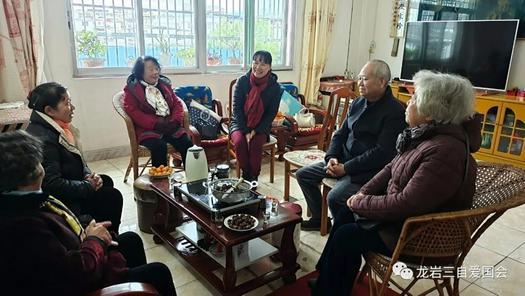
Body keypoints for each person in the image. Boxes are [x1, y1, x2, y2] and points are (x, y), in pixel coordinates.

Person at [311, 70, 482, 296]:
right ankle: (329, 281)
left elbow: (405, 203)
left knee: (346, 235)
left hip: (419, 235)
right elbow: (391, 167)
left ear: (431, 113)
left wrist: (362, 203)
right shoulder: (427, 135)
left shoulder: (445, 151)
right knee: (344, 213)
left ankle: (329, 290)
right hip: (401, 221)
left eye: (414, 99)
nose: (407, 103)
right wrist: (363, 193)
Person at [0, 130, 177, 295]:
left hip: (76, 255)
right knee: (158, 273)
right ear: (35, 171)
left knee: (131, 240)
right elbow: (77, 273)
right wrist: (94, 239)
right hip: (82, 281)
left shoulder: (21, 201)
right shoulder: (23, 226)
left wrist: (87, 231)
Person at [297, 60, 407, 231]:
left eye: (365, 79)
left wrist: (346, 168)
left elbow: (381, 154)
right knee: (303, 175)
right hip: (342, 160)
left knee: (335, 197)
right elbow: (340, 134)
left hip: (366, 171)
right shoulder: (358, 102)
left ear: (382, 82)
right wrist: (332, 157)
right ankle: (319, 218)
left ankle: (340, 233)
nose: (360, 83)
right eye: (359, 78)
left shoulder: (395, 112)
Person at [26, 82, 123, 232]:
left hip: (71, 184)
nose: (73, 108)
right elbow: (52, 185)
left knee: (106, 181)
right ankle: (105, 238)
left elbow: (76, 159)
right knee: (112, 196)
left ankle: (106, 233)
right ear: (49, 110)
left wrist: (89, 175)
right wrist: (87, 186)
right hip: (64, 204)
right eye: (68, 103)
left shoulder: (56, 127)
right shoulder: (45, 139)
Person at [124, 56, 193, 168]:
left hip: (170, 126)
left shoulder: (164, 84)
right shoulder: (132, 89)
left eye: (157, 68)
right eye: (151, 69)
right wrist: (155, 123)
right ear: (140, 72)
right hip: (148, 129)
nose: (155, 72)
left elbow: (177, 104)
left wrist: (175, 121)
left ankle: (194, 179)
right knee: (159, 147)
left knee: (187, 144)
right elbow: (133, 112)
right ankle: (160, 183)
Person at [230, 50, 283, 182]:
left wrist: (256, 130)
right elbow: (236, 110)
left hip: (261, 125)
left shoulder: (275, 87)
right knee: (240, 142)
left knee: (255, 144)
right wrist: (246, 131)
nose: (258, 67)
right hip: (239, 123)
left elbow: (271, 113)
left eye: (263, 64)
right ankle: (246, 175)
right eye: (256, 62)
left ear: (270, 67)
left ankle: (253, 177)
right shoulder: (242, 81)